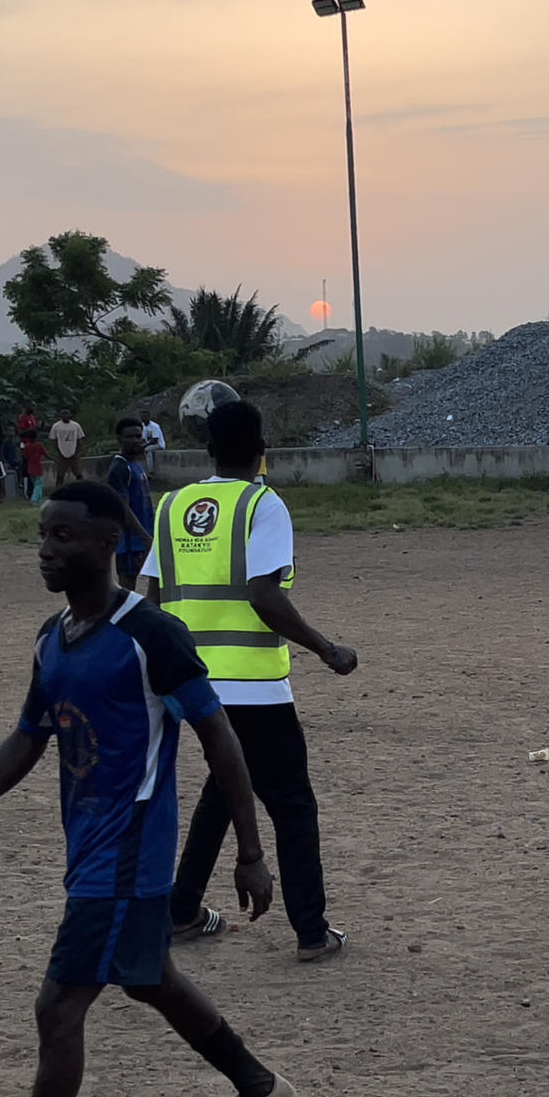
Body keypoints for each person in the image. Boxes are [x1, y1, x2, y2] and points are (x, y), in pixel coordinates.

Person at [0, 482, 294, 1097]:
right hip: (91, 852)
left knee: (58, 1009)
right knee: (148, 978)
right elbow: (28, 736)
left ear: (108, 544)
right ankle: (262, 1087)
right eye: (43, 534)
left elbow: (222, 742)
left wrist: (250, 852)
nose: (47, 549)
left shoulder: (153, 635)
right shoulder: (54, 637)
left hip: (124, 858)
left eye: (64, 536)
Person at [145, 400, 361, 962]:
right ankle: (312, 932)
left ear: (209, 450)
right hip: (255, 686)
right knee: (291, 802)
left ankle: (183, 909)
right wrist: (325, 648)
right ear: (263, 448)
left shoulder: (171, 505)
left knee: (223, 789)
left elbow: (151, 600)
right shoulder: (262, 504)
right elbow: (263, 594)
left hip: (194, 686)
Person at [106, 417, 154, 587]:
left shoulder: (136, 465)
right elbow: (121, 507)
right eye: (130, 437)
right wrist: (145, 537)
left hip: (143, 536)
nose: (135, 441)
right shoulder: (120, 468)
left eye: (138, 436)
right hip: (129, 542)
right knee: (127, 589)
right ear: (119, 439)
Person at [50, 409, 85, 487]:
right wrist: (59, 451)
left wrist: (77, 452)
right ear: (61, 415)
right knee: (60, 474)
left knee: (78, 473)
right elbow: (53, 440)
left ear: (70, 415)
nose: (66, 416)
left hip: (74, 454)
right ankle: (59, 490)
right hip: (62, 454)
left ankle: (83, 489)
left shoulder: (76, 425)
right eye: (64, 414)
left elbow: (80, 439)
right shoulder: (56, 426)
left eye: (67, 414)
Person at [20, 427, 48, 505]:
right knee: (38, 484)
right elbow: (46, 454)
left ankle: (40, 499)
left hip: (30, 467)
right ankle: (34, 499)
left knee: (35, 483)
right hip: (38, 467)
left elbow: (25, 456)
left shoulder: (27, 445)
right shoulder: (39, 445)